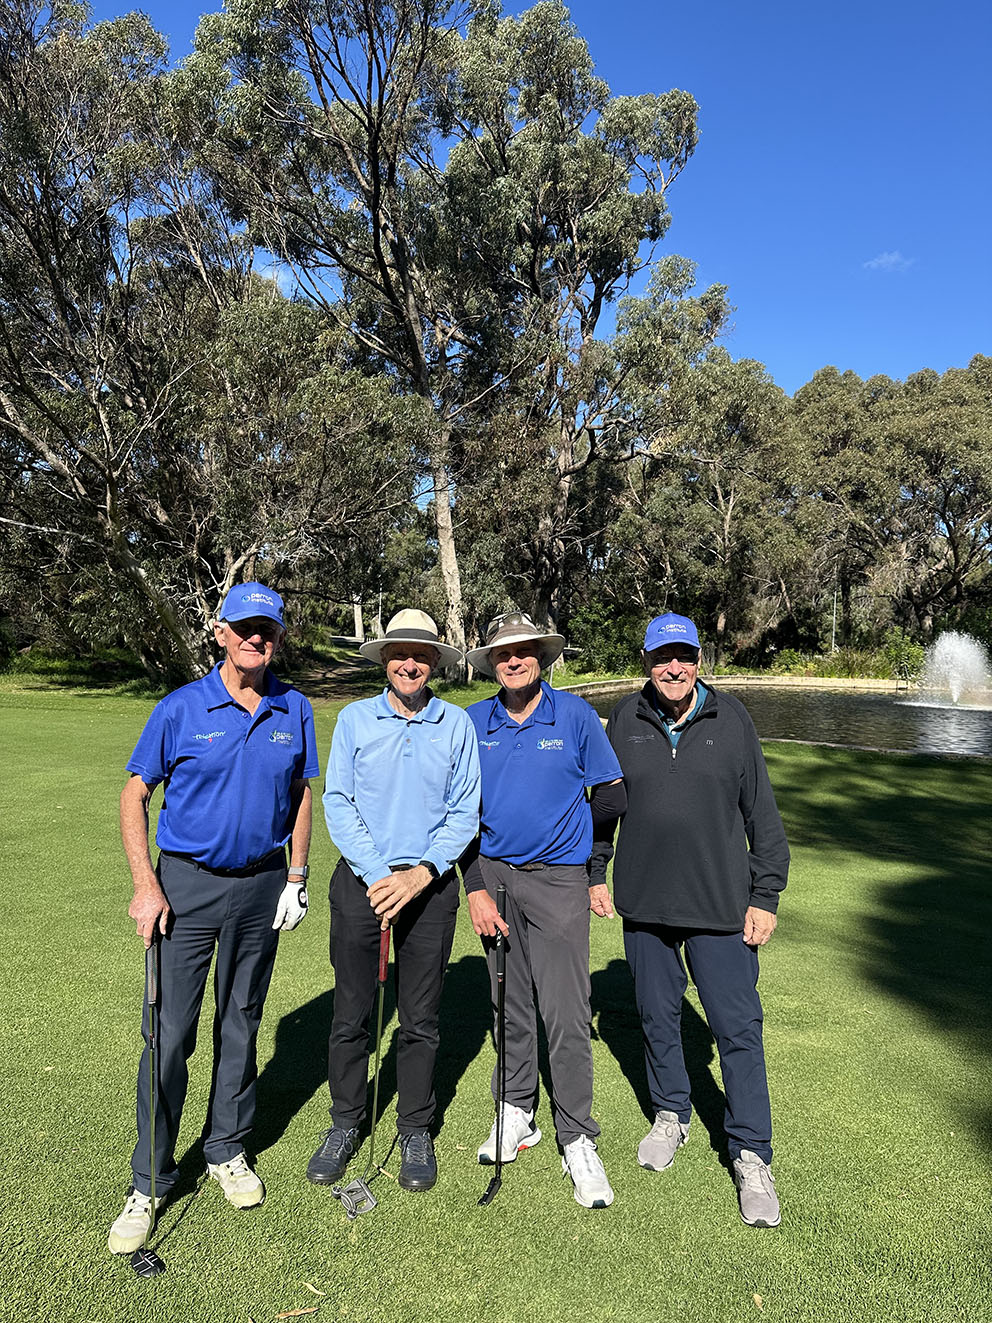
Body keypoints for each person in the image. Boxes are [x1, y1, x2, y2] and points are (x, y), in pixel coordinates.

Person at [109, 582, 318, 1255]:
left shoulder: (295, 708)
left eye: (269, 630)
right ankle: (150, 1178)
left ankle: (227, 1146)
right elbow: (134, 793)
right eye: (246, 628)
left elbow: (299, 793)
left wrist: (297, 873)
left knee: (242, 1019)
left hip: (261, 886)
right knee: (169, 1033)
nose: (258, 638)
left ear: (278, 638)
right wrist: (146, 883)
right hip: (187, 885)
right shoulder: (180, 708)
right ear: (221, 633)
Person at [595, 612, 790, 1228]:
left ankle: (751, 1153)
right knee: (656, 1015)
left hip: (722, 908)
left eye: (683, 656)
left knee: (736, 1029)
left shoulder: (731, 720)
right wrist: (596, 870)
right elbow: (605, 807)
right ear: (647, 662)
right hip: (646, 904)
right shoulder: (625, 720)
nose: (673, 668)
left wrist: (767, 895)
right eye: (661, 658)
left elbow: (762, 815)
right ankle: (671, 1113)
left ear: (699, 658)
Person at [309, 610, 480, 1194]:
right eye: (400, 654)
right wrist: (382, 875)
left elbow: (464, 811)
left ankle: (414, 1127)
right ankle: (346, 1122)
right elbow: (338, 800)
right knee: (351, 1016)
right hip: (362, 885)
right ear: (385, 660)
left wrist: (420, 874)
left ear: (435, 662)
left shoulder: (454, 723)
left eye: (423, 655)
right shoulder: (356, 718)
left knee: (421, 1020)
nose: (411, 664)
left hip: (429, 891)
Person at [463, 611, 626, 1209]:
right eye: (503, 653)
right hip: (496, 880)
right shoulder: (473, 721)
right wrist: (475, 886)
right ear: (491, 663)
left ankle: (578, 1136)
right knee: (508, 1002)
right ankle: (516, 1110)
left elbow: (611, 796)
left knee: (565, 1009)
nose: (514, 660)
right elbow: (458, 816)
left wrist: (593, 870)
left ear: (541, 657)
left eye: (525, 651)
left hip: (558, 882)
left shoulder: (577, 716)